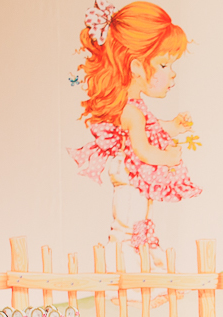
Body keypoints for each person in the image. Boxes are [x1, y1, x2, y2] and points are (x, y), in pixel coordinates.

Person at [71, 0, 201, 252]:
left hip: (133, 178)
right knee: (128, 229)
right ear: (136, 67)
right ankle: (123, 276)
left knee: (136, 226)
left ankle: (136, 273)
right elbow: (142, 149)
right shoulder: (131, 112)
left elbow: (151, 130)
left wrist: (172, 126)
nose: (172, 73)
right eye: (164, 65)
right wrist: (168, 158)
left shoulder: (134, 107)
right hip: (130, 178)